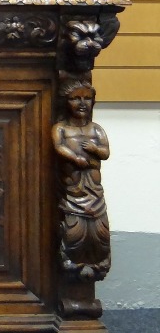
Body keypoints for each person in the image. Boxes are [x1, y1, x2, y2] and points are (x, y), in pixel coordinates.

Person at [52, 81, 111, 281]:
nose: (82, 103)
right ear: (65, 102)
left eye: (87, 98)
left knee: (98, 230)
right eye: (76, 98)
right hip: (73, 189)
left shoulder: (96, 130)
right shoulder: (61, 128)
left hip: (93, 190)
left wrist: (95, 150)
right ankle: (74, 258)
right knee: (74, 231)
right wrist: (74, 157)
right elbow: (58, 145)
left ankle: (94, 260)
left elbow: (105, 151)